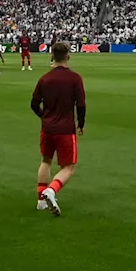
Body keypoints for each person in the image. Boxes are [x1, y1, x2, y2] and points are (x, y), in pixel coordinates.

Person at [30, 42, 86, 218]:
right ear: (68, 56)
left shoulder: (45, 78)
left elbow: (33, 104)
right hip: (65, 129)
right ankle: (52, 190)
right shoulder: (75, 78)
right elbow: (81, 105)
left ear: (52, 56)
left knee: (46, 160)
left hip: (47, 128)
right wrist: (81, 123)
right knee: (68, 167)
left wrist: (44, 116)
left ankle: (40, 202)